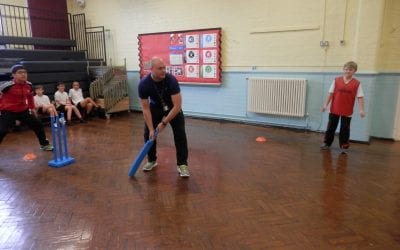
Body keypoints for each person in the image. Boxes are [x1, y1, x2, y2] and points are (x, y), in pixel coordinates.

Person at [138, 57, 190, 177]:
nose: (163, 71)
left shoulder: (171, 80)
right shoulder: (144, 84)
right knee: (148, 135)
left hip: (173, 109)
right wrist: (152, 129)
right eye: (160, 68)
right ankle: (151, 160)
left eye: (164, 68)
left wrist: (164, 123)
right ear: (151, 69)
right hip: (155, 108)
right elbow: (145, 109)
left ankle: (182, 164)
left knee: (180, 133)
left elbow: (177, 106)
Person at [0, 64, 53, 151]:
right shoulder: (6, 86)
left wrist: (32, 109)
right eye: (20, 72)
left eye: (25, 72)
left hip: (23, 111)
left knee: (38, 125)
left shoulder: (29, 85)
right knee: (1, 131)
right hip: (8, 111)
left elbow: (30, 97)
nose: (23, 74)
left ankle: (44, 144)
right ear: (13, 75)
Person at [321, 61, 365, 154]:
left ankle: (344, 147)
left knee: (345, 129)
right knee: (330, 128)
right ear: (343, 69)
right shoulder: (336, 80)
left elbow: (360, 97)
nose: (347, 71)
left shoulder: (357, 83)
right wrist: (325, 104)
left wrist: (361, 109)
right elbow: (331, 93)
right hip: (334, 109)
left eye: (350, 69)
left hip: (347, 111)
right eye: (345, 69)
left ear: (354, 71)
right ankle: (327, 143)